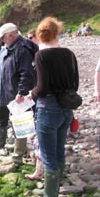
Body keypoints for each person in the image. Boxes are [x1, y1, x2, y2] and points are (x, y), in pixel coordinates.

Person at [27, 17, 79, 197]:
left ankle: (51, 193)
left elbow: (42, 87)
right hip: (66, 109)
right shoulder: (69, 54)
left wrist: (30, 94)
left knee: (48, 157)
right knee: (58, 150)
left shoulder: (41, 55)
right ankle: (58, 185)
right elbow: (76, 84)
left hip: (47, 109)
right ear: (57, 32)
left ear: (40, 35)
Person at [0, 23, 38, 162]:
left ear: (11, 35)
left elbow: (26, 73)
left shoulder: (22, 49)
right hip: (12, 91)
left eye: (3, 37)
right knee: (17, 121)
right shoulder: (14, 47)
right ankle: (19, 147)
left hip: (18, 93)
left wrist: (21, 91)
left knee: (21, 122)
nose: (2, 40)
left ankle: (18, 154)